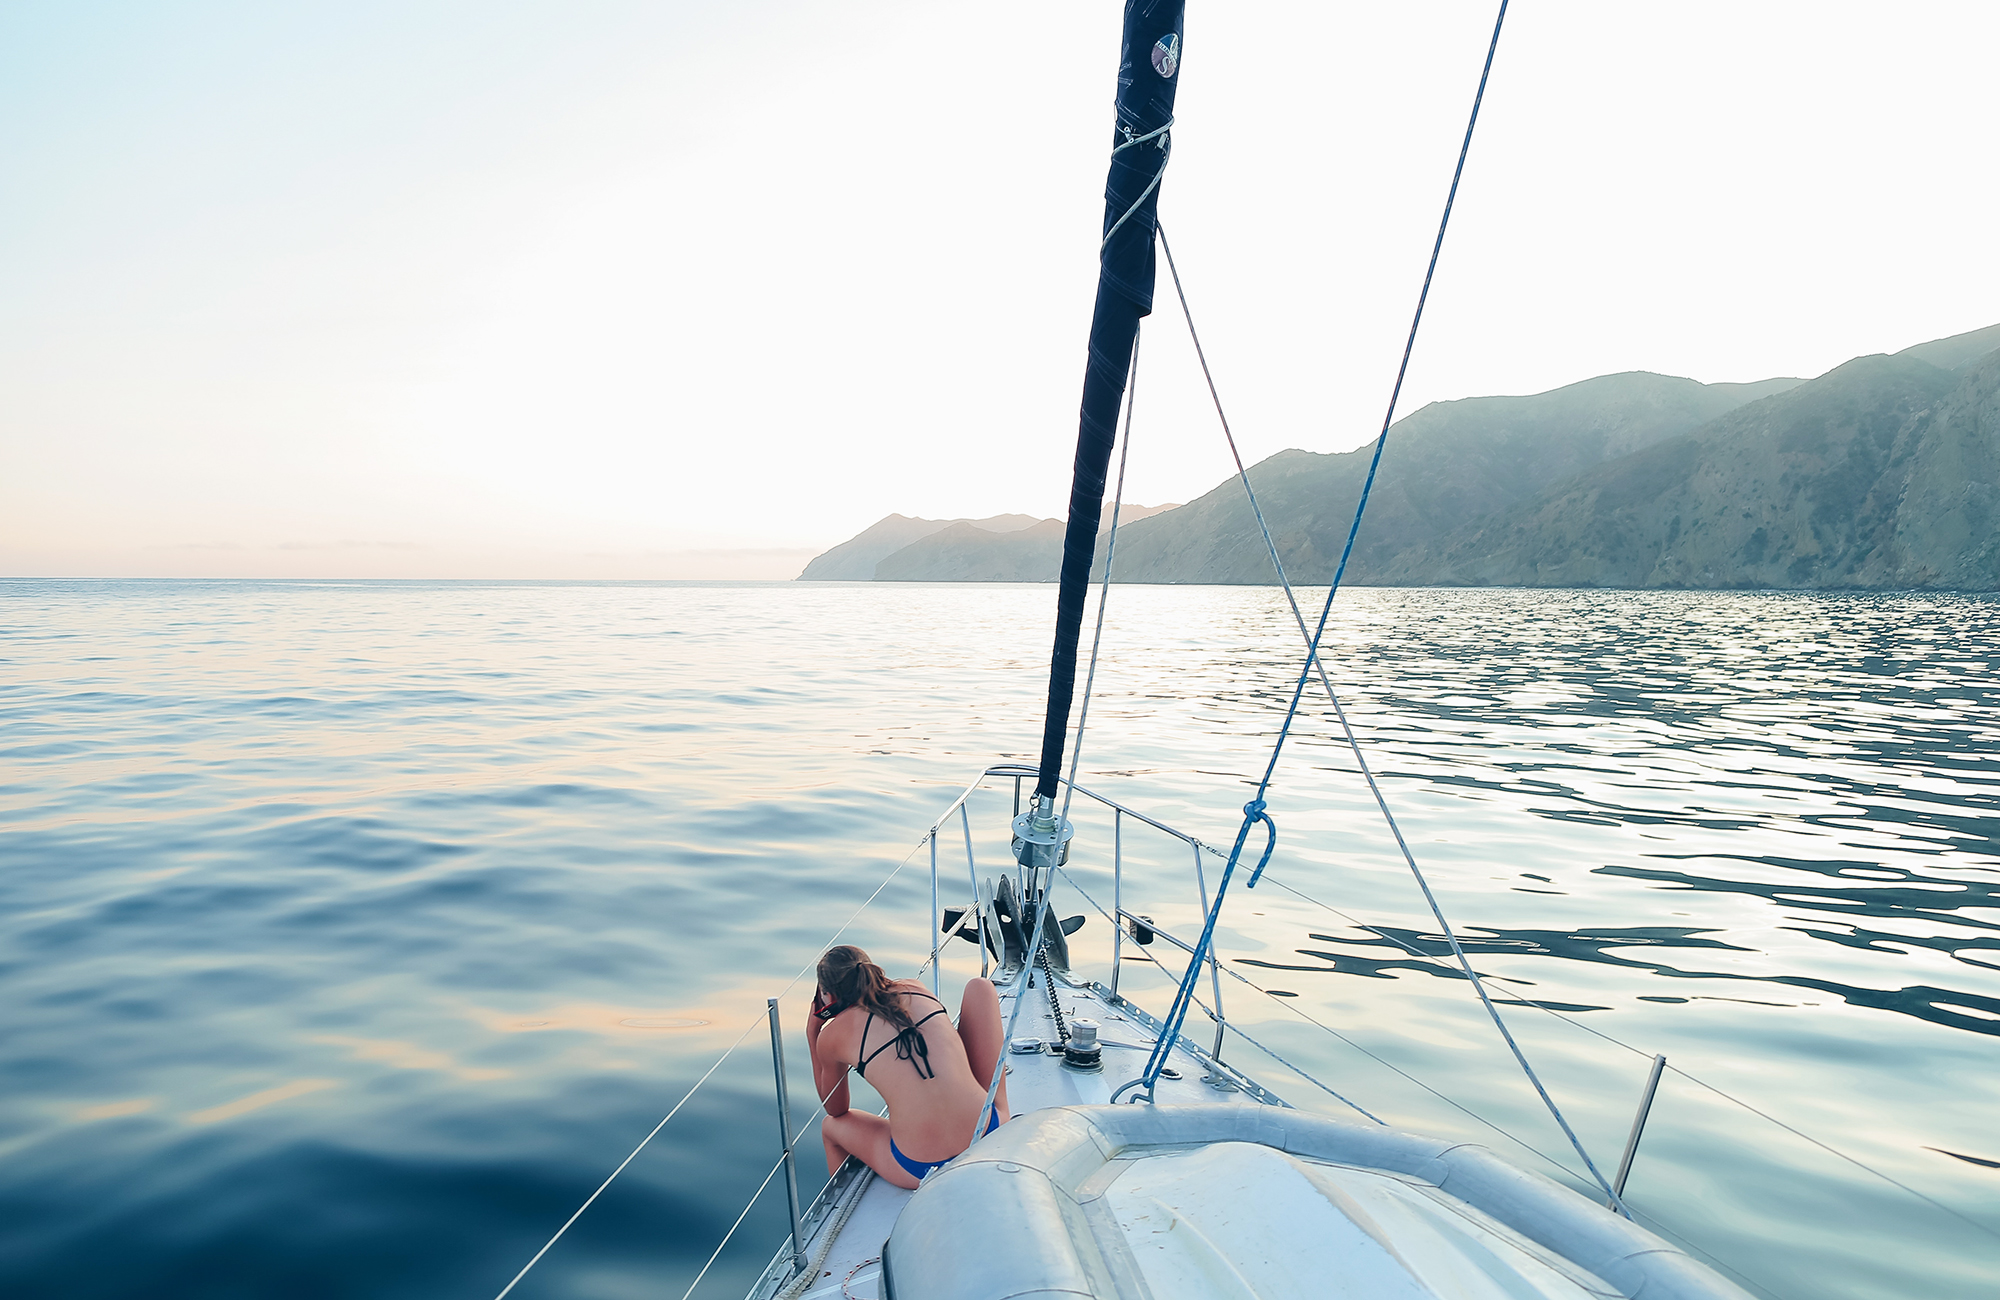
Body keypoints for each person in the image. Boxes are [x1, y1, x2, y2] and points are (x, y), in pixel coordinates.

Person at [805, 944, 1010, 1189]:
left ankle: (840, 1214)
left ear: (828, 996)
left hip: (919, 1168)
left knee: (831, 1127)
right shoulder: (914, 987)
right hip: (990, 1133)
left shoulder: (832, 1036)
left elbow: (835, 1108)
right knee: (980, 987)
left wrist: (812, 1031)